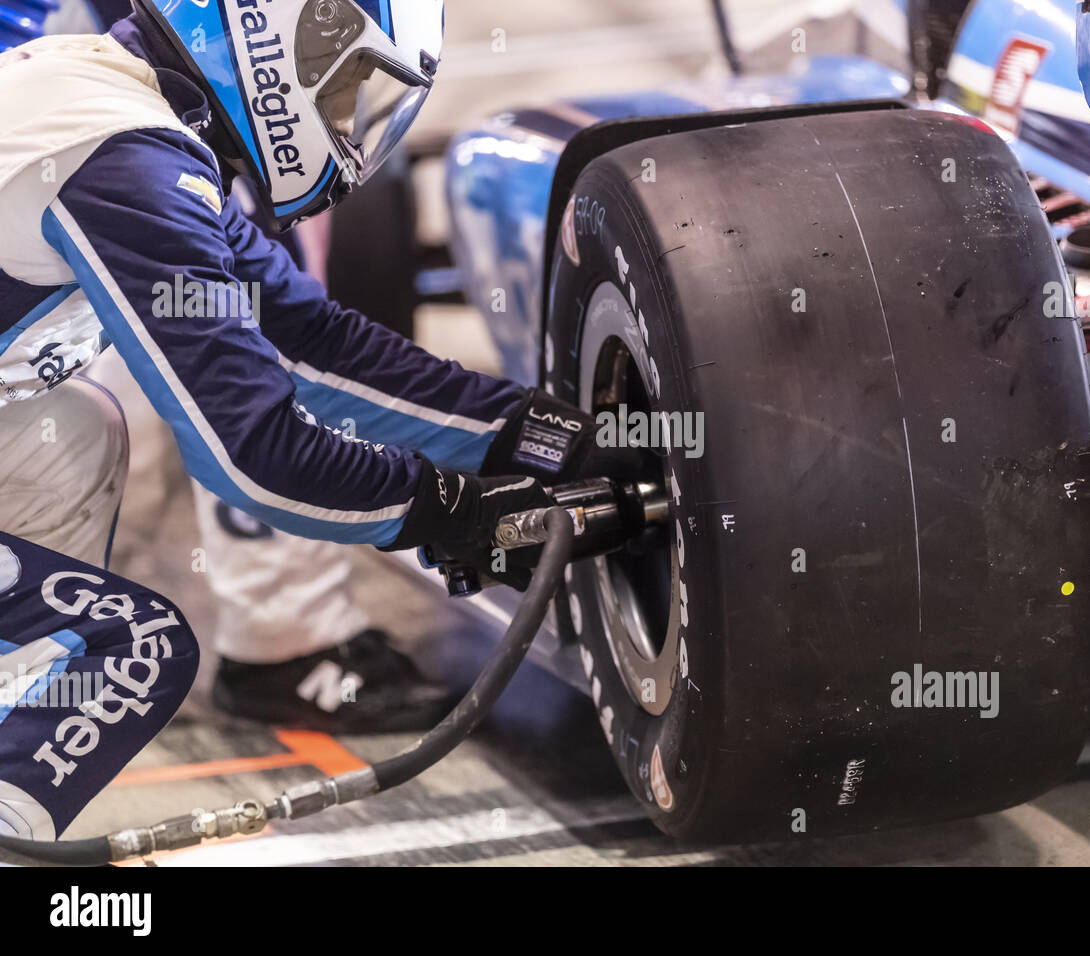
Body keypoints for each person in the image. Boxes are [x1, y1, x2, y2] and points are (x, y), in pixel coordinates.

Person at [0, 0, 627, 840]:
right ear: (269, 44)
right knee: (134, 648)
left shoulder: (129, 117)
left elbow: (306, 339)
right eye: (344, 88)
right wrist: (447, 508)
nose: (345, 122)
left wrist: (532, 432)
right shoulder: (120, 158)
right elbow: (256, 454)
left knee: (75, 435)